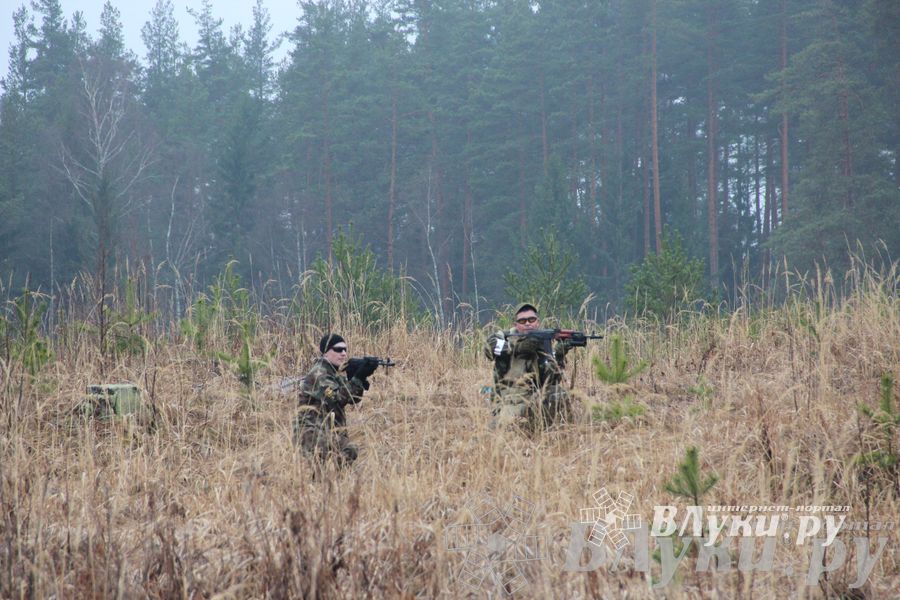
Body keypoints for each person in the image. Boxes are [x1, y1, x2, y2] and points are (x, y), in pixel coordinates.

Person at [484, 303, 574, 431]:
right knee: (504, 431)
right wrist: (521, 347)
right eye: (522, 321)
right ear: (516, 325)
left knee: (559, 392)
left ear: (537, 322)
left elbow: (551, 381)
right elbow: (489, 348)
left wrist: (558, 356)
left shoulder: (542, 343)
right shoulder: (503, 337)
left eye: (531, 319)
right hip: (508, 402)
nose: (527, 323)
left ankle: (555, 432)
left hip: (532, 400)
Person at [293, 333, 378, 466]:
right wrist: (357, 378)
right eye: (338, 349)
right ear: (325, 353)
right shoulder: (319, 373)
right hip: (312, 434)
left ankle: (336, 483)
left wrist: (357, 378)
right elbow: (337, 398)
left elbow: (353, 399)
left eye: (345, 350)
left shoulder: (332, 373)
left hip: (328, 432)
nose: (343, 353)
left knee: (347, 452)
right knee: (345, 452)